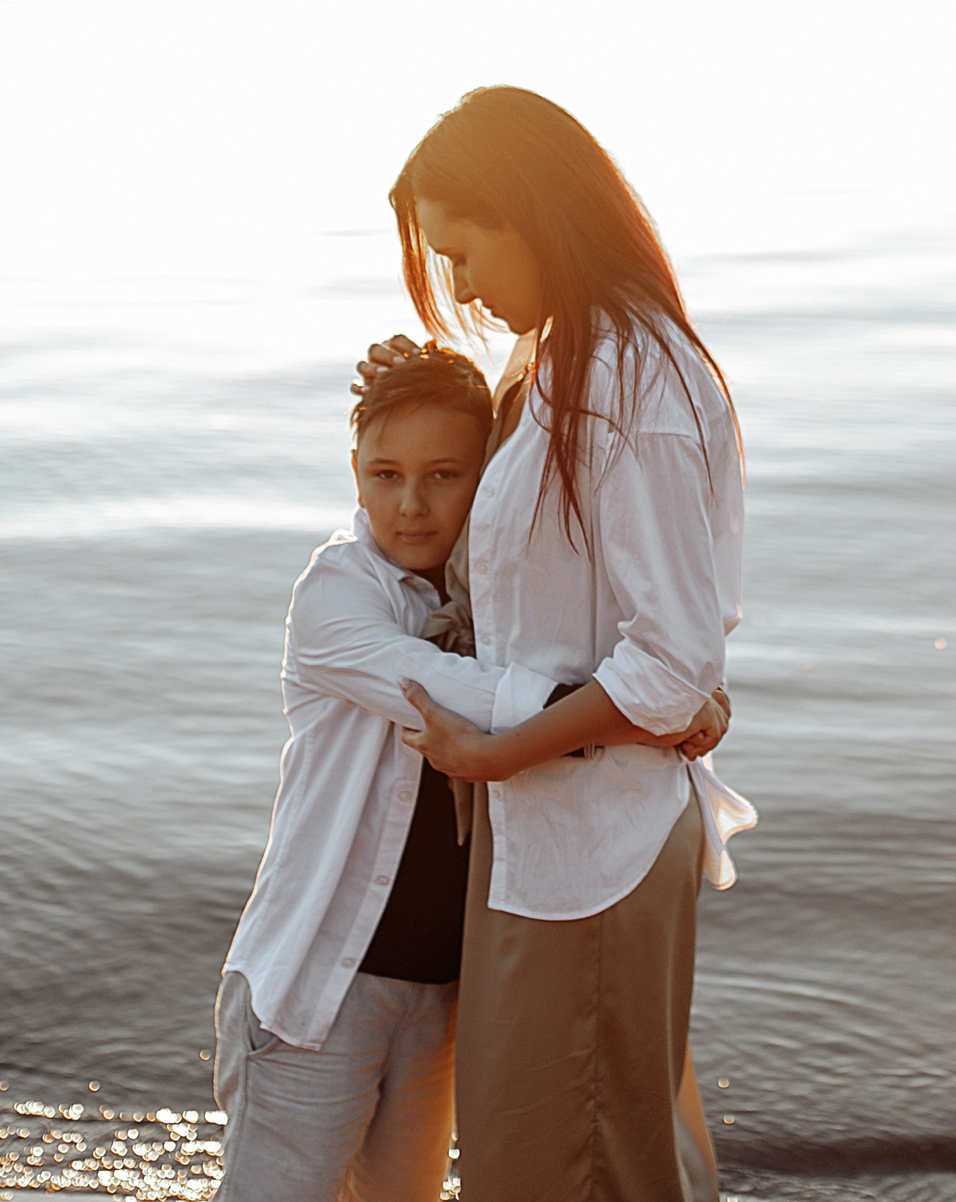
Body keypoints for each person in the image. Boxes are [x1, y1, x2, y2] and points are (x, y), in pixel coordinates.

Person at [213, 347, 728, 1202]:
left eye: (443, 474)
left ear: (488, 477)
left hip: (441, 999)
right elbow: (459, 693)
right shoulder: (335, 597)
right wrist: (644, 714)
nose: (409, 504)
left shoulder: (502, 610)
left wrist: (679, 689)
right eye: (385, 473)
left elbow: (632, 635)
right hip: (318, 996)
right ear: (354, 472)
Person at [372, 84, 757, 1202]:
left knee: (572, 1163)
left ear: (531, 211)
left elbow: (673, 660)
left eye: (464, 250)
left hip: (591, 840)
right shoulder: (562, 361)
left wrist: (497, 755)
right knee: (580, 1151)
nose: (463, 287)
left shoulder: (625, 381)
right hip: (558, 831)